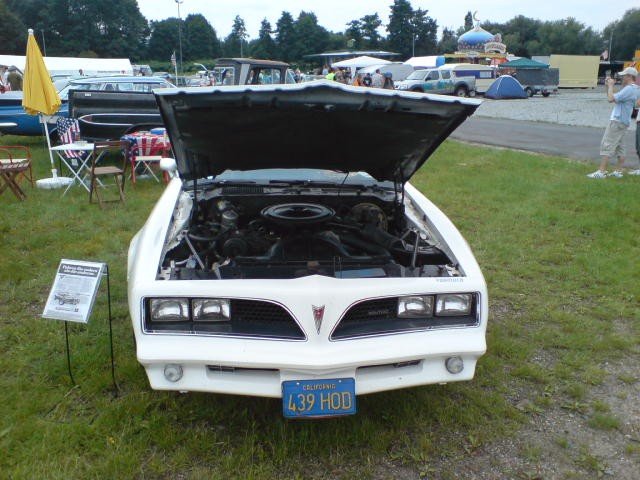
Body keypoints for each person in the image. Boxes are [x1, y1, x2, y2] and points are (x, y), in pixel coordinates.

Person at [587, 67, 639, 178]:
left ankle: (601, 172)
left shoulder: (628, 89)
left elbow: (610, 99)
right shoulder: (635, 89)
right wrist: (608, 86)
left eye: (624, 76)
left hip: (617, 120)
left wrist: (611, 86)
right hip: (624, 121)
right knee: (620, 146)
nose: (622, 78)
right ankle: (618, 171)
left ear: (629, 76)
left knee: (607, 144)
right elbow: (613, 97)